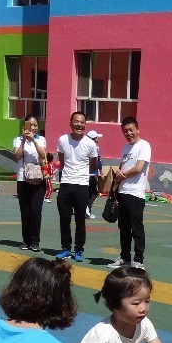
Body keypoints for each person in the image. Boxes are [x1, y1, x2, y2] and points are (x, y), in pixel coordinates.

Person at [56, 112, 100, 262]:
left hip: (82, 185)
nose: (79, 125)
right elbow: (62, 161)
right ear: (70, 123)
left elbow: (93, 164)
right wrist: (70, 172)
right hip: (66, 184)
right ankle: (66, 248)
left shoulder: (90, 144)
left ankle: (79, 250)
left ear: (85, 125)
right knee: (64, 218)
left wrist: (81, 174)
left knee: (80, 220)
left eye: (82, 122)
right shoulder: (63, 140)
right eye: (76, 121)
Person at [111, 117, 151, 269]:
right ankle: (125, 257)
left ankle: (139, 260)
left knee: (137, 228)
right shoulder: (125, 148)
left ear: (137, 129)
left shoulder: (144, 145)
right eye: (125, 131)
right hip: (122, 192)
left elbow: (139, 168)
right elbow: (121, 167)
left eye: (131, 130)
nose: (128, 133)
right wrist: (116, 185)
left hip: (135, 194)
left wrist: (123, 175)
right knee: (124, 228)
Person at [14, 114, 49, 252]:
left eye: (35, 125)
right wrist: (24, 140)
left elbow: (43, 155)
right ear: (24, 126)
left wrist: (33, 140)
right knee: (25, 211)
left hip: (38, 178)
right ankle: (26, 240)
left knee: (36, 210)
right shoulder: (18, 140)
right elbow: (17, 156)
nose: (32, 127)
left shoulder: (41, 139)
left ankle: (35, 241)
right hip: (23, 178)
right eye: (29, 125)